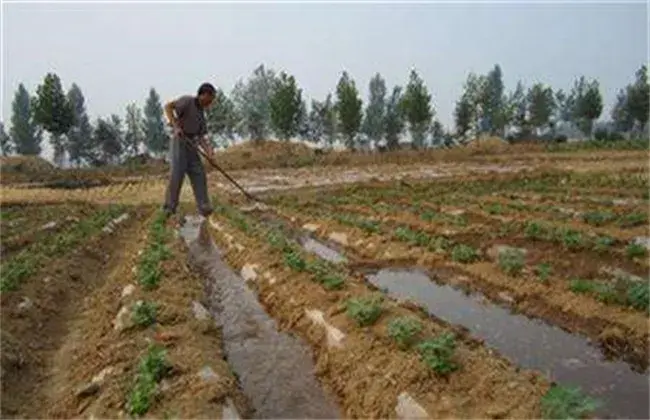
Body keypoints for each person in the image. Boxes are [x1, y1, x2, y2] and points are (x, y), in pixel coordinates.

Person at [162, 82, 217, 226]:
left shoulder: (201, 114)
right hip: (179, 141)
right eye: (210, 99)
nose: (210, 103)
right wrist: (175, 126)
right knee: (177, 175)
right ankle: (169, 208)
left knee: (199, 172)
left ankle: (204, 206)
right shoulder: (187, 101)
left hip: (192, 143)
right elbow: (168, 106)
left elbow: (202, 138)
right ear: (203, 95)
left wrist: (209, 154)